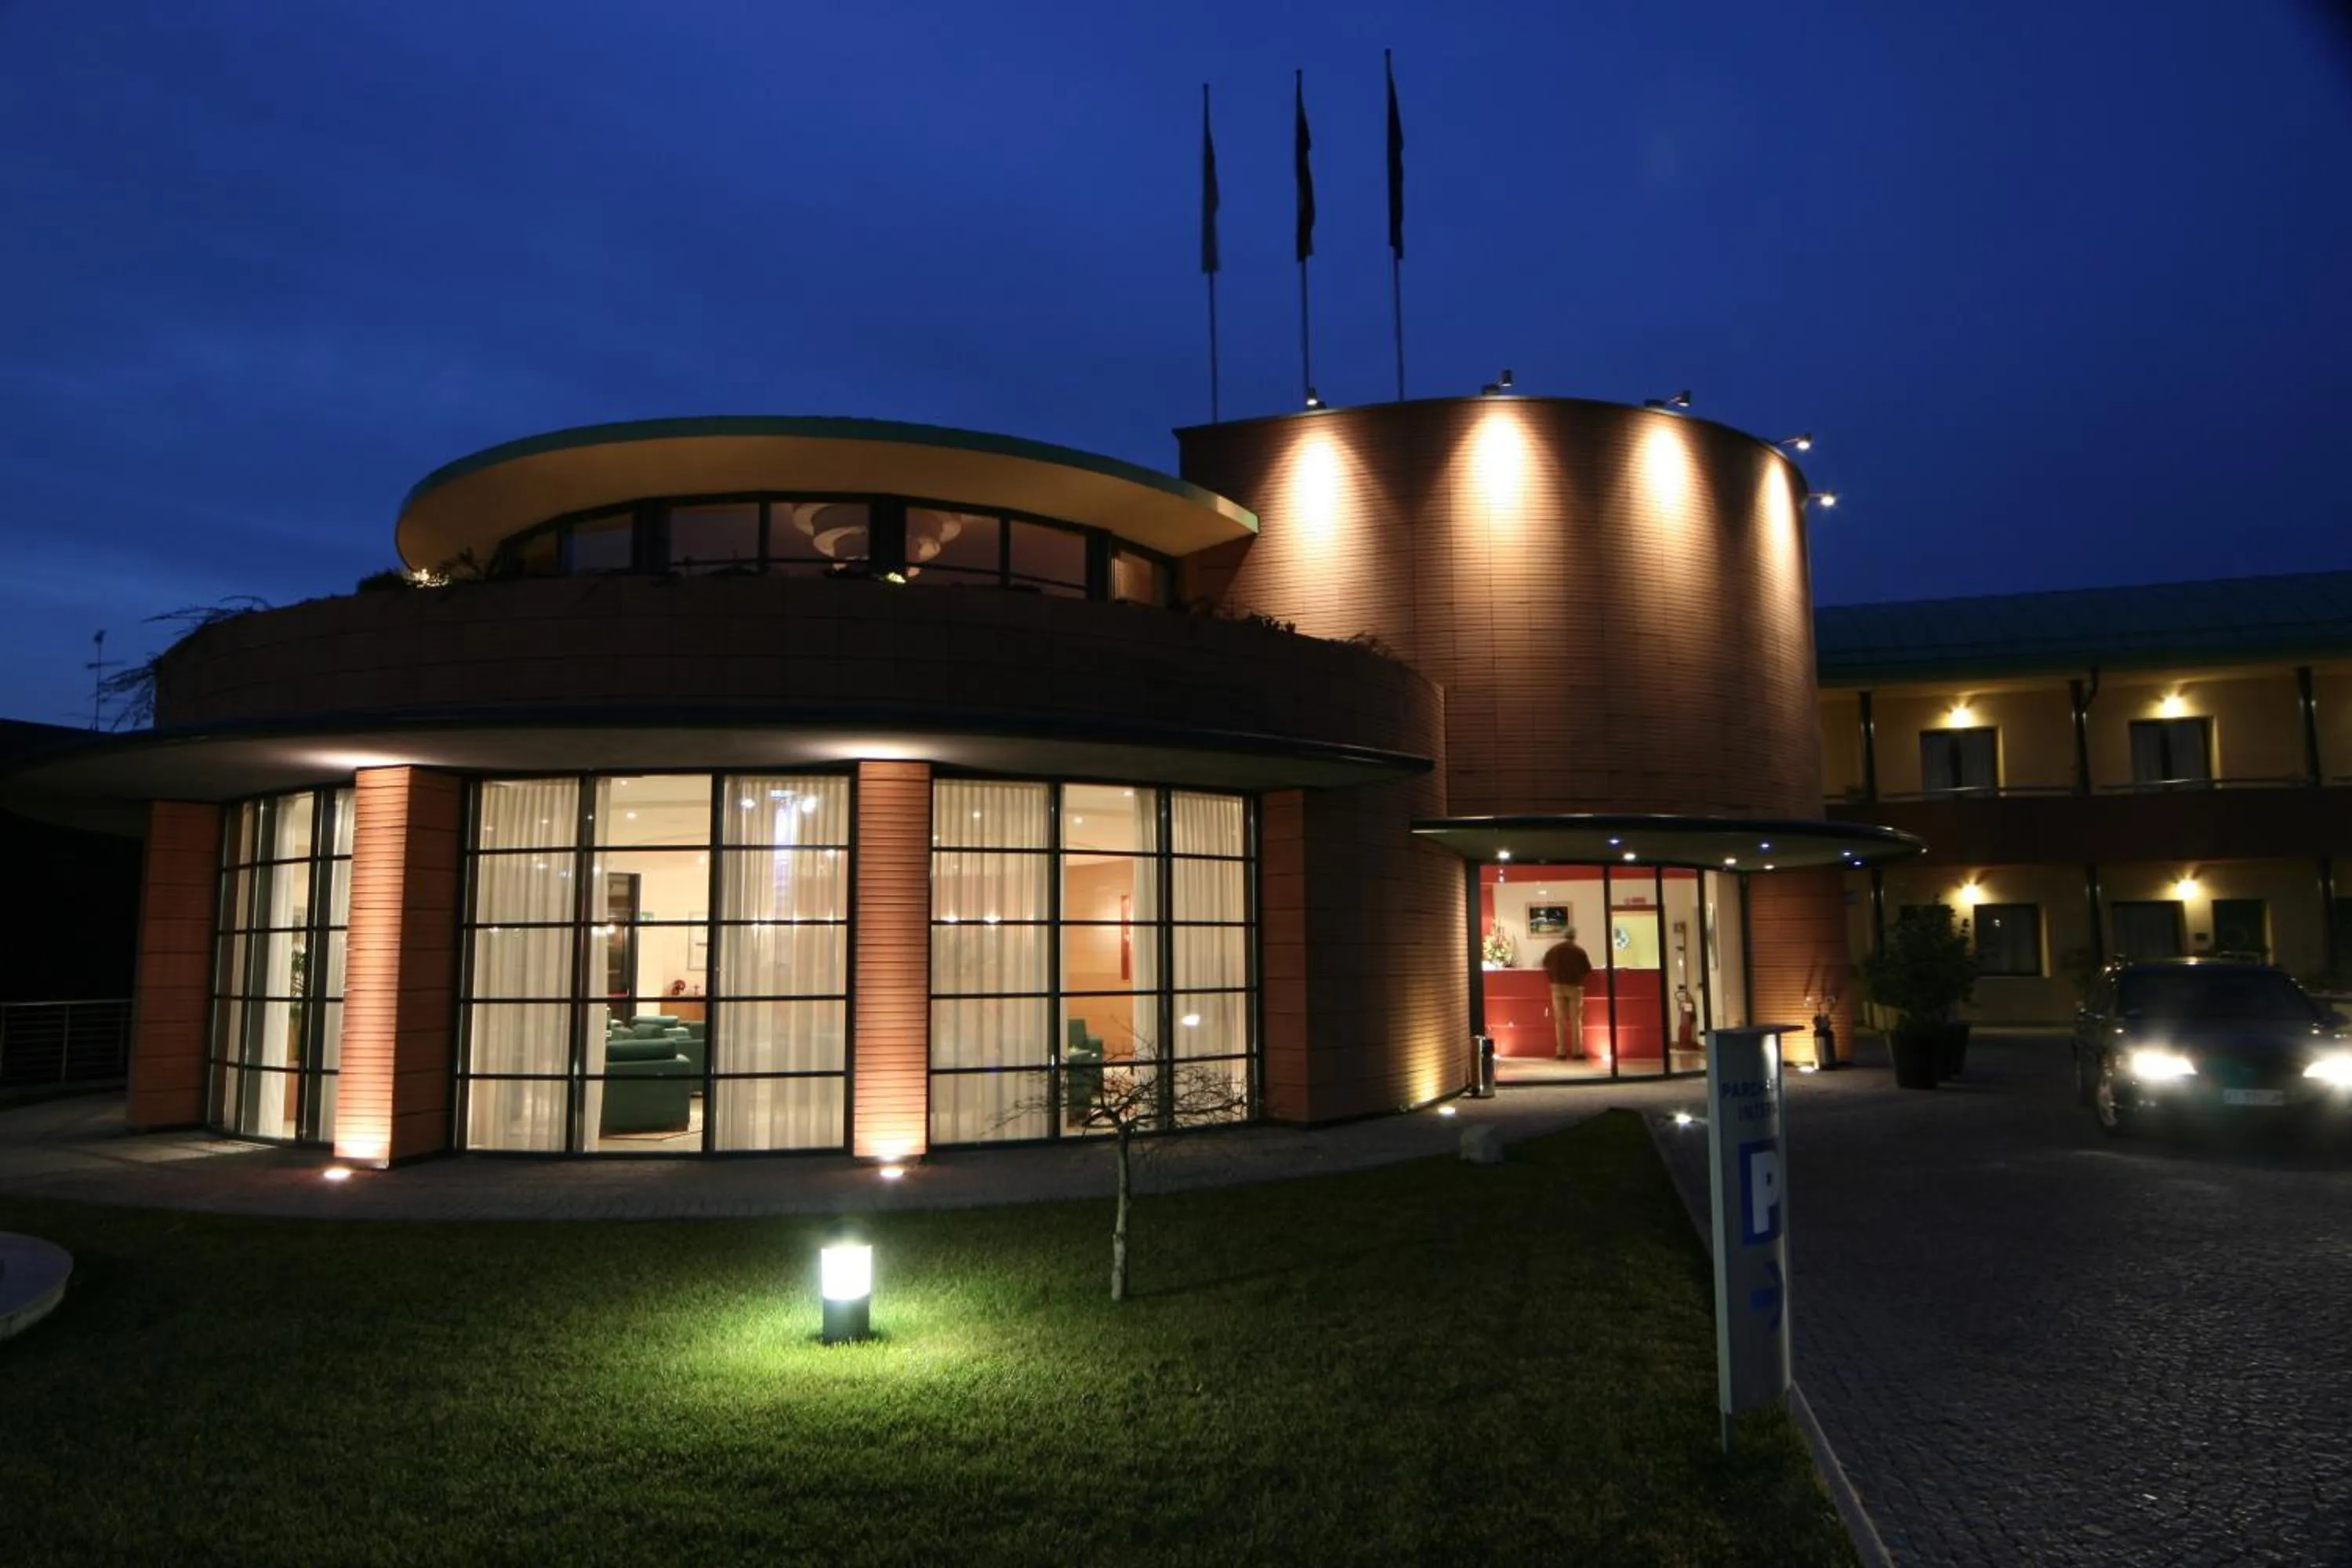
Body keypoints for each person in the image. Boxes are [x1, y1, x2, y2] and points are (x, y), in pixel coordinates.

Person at [1543, 928, 1595, 1061]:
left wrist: (1553, 978)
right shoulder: (1579, 951)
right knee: (1575, 1021)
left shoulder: (1554, 950)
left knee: (1559, 1021)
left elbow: (1545, 965)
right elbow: (1587, 969)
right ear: (1574, 937)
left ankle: (1561, 1052)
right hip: (1574, 987)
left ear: (1564, 936)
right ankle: (1577, 1052)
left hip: (1557, 986)